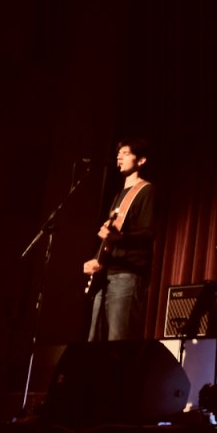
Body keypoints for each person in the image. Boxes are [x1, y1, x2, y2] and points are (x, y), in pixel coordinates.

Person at [83, 137, 156, 341]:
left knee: (117, 341)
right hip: (106, 274)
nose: (119, 157)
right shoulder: (118, 195)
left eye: (126, 153)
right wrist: (96, 259)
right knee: (94, 340)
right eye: (118, 154)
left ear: (141, 160)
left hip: (126, 275)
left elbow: (148, 233)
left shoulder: (146, 191)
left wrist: (119, 237)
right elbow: (111, 237)